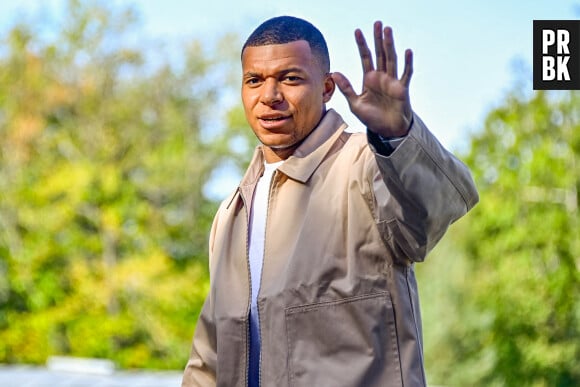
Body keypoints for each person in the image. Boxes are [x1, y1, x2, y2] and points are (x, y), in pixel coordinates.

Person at [182, 15, 478, 387]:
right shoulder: (231, 212)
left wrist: (397, 135)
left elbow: (434, 211)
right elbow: (208, 359)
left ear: (326, 89)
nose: (269, 96)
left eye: (290, 78)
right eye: (254, 81)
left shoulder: (366, 163)